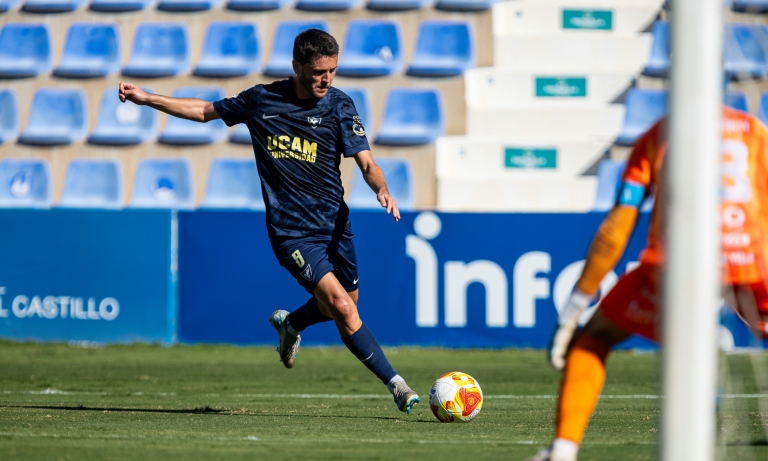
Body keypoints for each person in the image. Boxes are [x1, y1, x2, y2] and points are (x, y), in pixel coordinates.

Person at [118, 29, 420, 414]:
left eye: (332, 70)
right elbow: (204, 111)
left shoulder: (340, 105)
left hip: (335, 227)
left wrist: (382, 189)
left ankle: (291, 323)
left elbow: (366, 161)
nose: (327, 79)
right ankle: (398, 386)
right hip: (292, 233)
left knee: (346, 305)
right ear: (296, 67)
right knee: (343, 308)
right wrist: (147, 98)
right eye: (318, 72)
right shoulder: (262, 101)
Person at [527, 105, 768, 461]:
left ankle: (563, 450)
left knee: (593, 339)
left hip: (675, 264)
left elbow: (616, 230)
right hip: (751, 262)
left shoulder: (659, 134)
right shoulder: (756, 132)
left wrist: (573, 310)